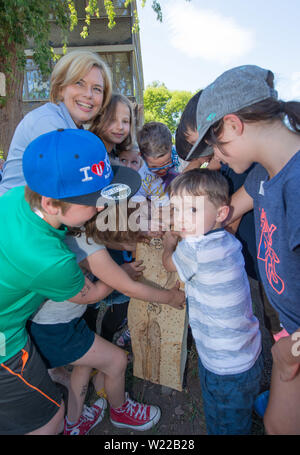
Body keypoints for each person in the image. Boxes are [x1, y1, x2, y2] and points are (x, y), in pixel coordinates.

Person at [181, 64, 300, 435]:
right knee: (276, 423)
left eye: (215, 145)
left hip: (294, 343)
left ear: (232, 124)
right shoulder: (264, 175)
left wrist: (293, 346)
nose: (215, 157)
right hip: (287, 336)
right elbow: (229, 209)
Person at [0, 127, 143, 435]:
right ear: (51, 204)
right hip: (5, 343)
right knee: (51, 419)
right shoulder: (51, 261)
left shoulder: (16, 197)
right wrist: (118, 279)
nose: (102, 206)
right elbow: (90, 294)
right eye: (93, 199)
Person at [162, 169, 263, 435]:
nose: (181, 219)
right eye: (177, 210)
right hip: (249, 352)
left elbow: (169, 265)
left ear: (220, 214)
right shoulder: (228, 239)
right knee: (240, 408)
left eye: (192, 211)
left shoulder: (190, 249)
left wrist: (168, 243)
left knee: (225, 426)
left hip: (222, 365)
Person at [0, 49, 112, 197]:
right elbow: (75, 184)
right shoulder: (48, 122)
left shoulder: (76, 128)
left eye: (97, 89)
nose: (88, 94)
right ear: (60, 89)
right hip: (15, 215)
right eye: (79, 83)